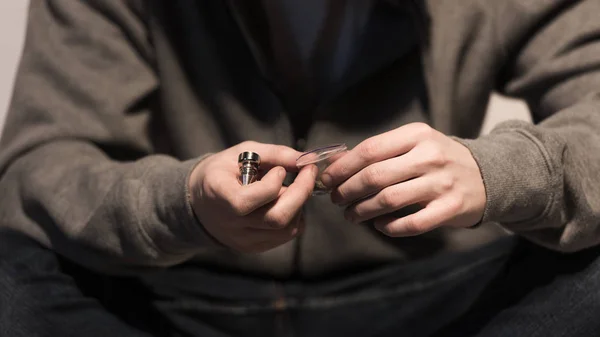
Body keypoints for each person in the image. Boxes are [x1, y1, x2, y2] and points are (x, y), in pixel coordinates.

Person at [1, 0, 600, 336]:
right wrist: (182, 202)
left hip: (434, 303)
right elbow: (40, 167)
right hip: (169, 301)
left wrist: (495, 171)